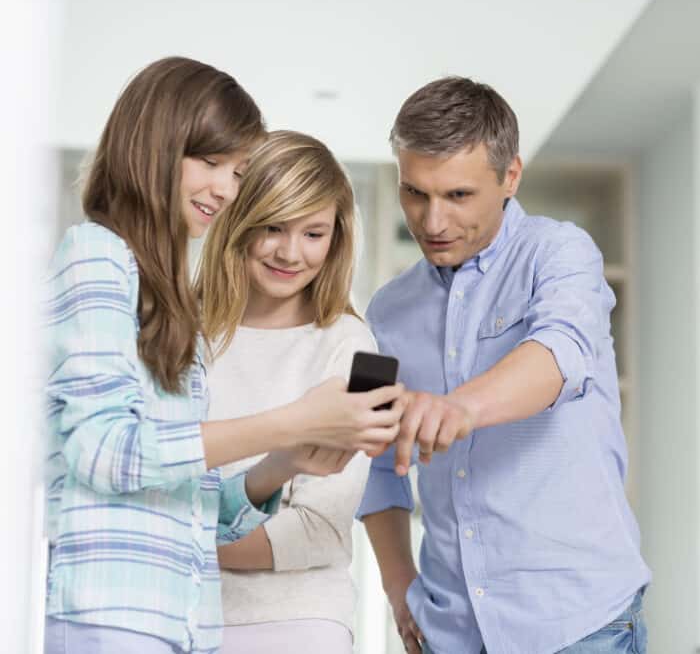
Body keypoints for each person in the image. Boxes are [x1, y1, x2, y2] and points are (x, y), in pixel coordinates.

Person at [44, 58, 403, 654]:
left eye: (234, 171)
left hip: (182, 622)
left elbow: (192, 503)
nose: (224, 188)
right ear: (154, 148)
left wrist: (283, 459)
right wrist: (290, 422)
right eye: (210, 163)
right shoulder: (98, 258)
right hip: (118, 614)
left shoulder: (157, 299)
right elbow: (105, 452)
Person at [357, 77, 650, 654]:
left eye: (458, 196)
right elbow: (374, 464)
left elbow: (562, 354)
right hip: (449, 631)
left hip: (578, 625)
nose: (432, 222)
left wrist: (459, 406)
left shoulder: (562, 253)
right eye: (414, 193)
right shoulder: (382, 312)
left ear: (510, 177)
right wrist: (398, 588)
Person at [196, 130, 375, 654]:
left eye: (314, 233)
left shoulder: (356, 348)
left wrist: (181, 540)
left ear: (337, 238)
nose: (290, 253)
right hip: (178, 614)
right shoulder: (179, 332)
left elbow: (320, 529)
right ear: (237, 221)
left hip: (301, 621)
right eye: (272, 226)